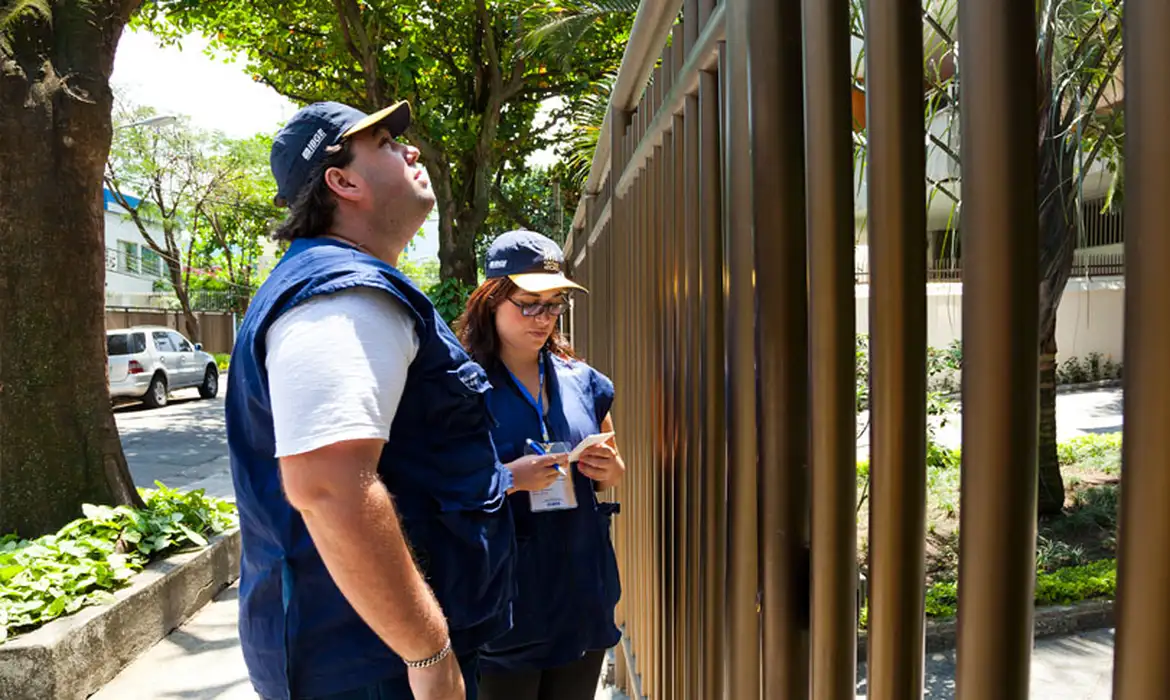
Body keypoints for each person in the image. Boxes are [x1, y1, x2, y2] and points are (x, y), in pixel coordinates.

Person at [224, 102, 562, 700]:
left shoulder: (344, 283)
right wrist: (427, 651)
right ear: (342, 181)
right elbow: (327, 485)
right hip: (375, 665)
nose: (411, 151)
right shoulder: (341, 293)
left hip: (373, 653)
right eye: (383, 143)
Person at [456, 230, 627, 700]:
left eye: (554, 305)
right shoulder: (461, 387)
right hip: (504, 604)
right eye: (529, 303)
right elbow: (436, 488)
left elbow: (616, 469)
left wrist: (608, 469)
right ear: (491, 300)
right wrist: (511, 478)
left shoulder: (581, 380)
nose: (544, 318)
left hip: (580, 594)